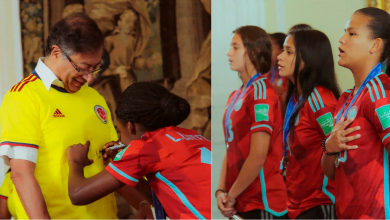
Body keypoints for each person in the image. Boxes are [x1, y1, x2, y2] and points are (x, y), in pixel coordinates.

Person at [0, 12, 150, 219]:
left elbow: (107, 164)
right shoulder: (24, 97)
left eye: (95, 68)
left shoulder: (94, 97)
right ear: (56, 52)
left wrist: (140, 203)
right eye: (83, 68)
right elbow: (21, 175)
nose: (89, 77)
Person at [66, 82, 211, 220]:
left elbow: (78, 195)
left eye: (120, 133)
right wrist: (125, 167)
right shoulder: (193, 136)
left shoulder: (146, 146)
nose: (120, 141)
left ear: (130, 127)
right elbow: (165, 196)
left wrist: (76, 162)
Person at [322, 7, 390, 219]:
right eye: (344, 32)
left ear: (375, 44)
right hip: (348, 211)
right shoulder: (346, 99)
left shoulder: (380, 92)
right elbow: (330, 171)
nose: (341, 40)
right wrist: (329, 148)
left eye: (352, 33)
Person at [216, 25, 287, 219]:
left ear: (254, 52)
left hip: (263, 201)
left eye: (235, 47)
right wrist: (221, 190)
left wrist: (232, 194)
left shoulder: (261, 92)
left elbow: (258, 156)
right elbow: (230, 149)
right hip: (242, 199)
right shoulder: (236, 94)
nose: (228, 53)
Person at [277, 29, 339, 219]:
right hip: (298, 203)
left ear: (308, 58)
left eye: (288, 52)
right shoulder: (297, 97)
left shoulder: (320, 100)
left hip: (320, 204)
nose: (279, 57)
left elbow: (339, 155)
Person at [267, 32, 288, 116]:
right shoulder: (269, 72)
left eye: (270, 48)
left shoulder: (288, 76)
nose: (266, 52)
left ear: (281, 50)